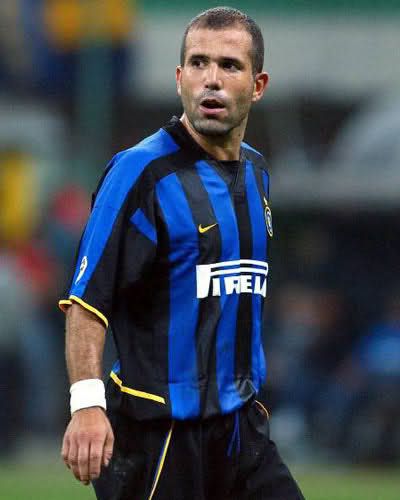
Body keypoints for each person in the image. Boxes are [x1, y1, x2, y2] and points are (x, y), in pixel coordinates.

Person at [60, 7, 305, 500]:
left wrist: (246, 386)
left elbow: (238, 289)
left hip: (240, 430)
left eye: (229, 66)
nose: (211, 80)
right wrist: (86, 405)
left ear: (257, 86)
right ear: (179, 79)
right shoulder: (140, 173)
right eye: (198, 63)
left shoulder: (258, 174)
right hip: (158, 435)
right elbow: (88, 301)